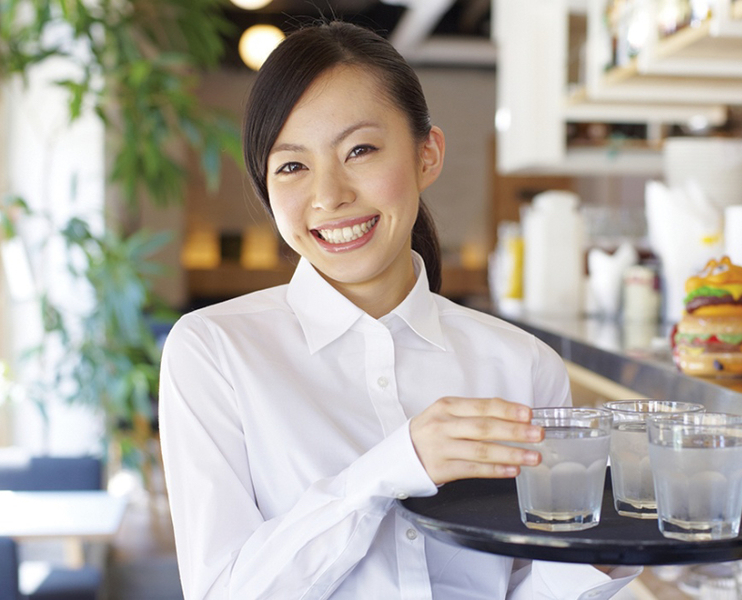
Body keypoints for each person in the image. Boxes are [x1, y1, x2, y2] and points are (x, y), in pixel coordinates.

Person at [158, 20, 640, 599]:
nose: (328, 195)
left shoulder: (522, 366)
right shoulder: (214, 351)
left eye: (359, 150)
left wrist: (601, 558)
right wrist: (392, 467)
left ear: (427, 155)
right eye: (292, 165)